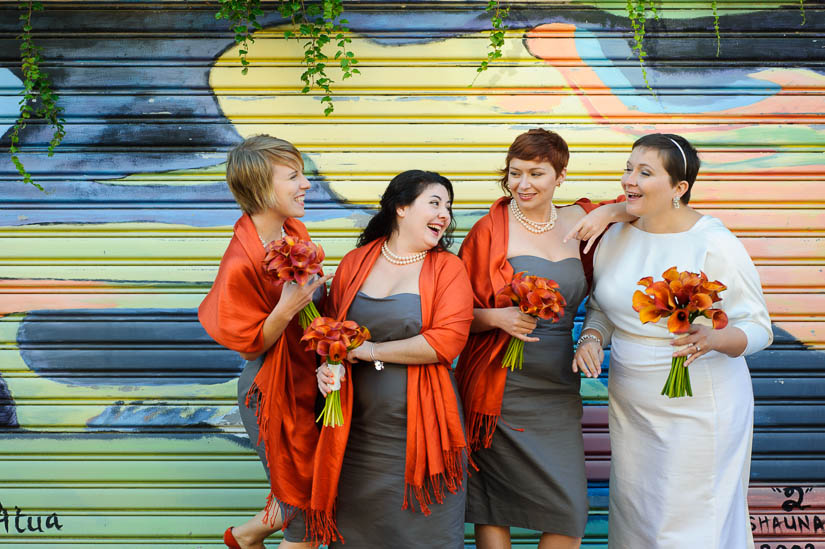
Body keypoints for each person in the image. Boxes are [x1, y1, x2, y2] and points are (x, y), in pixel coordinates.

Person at [572, 133, 773, 548]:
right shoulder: (615, 235)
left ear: (679, 188)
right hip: (633, 404)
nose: (630, 179)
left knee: (691, 516)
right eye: (629, 168)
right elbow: (604, 307)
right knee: (639, 515)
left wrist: (713, 339)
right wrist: (591, 337)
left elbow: (758, 327)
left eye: (645, 172)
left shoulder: (714, 242)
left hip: (700, 404)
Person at [456, 128, 633, 549]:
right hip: (499, 385)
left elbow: (654, 208)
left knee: (569, 510)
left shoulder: (583, 220)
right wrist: (496, 317)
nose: (523, 184)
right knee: (492, 503)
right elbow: (451, 316)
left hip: (556, 386)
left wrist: (610, 212)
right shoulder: (488, 230)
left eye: (536, 173)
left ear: (561, 176)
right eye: (515, 173)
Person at [314, 170, 474, 548]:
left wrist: (369, 352)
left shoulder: (448, 269)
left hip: (421, 431)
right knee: (355, 532)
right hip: (357, 432)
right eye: (434, 203)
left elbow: (445, 342)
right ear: (401, 207)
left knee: (423, 533)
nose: (444, 214)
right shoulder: (356, 262)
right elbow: (333, 334)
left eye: (448, 207)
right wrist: (327, 365)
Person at [198, 135, 331, 549]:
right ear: (261, 187)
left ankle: (244, 537)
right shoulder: (240, 260)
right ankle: (245, 535)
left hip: (310, 382)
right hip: (270, 392)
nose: (306, 184)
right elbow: (249, 346)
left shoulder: (292, 231)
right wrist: (287, 308)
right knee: (302, 504)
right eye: (293, 176)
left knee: (305, 493)